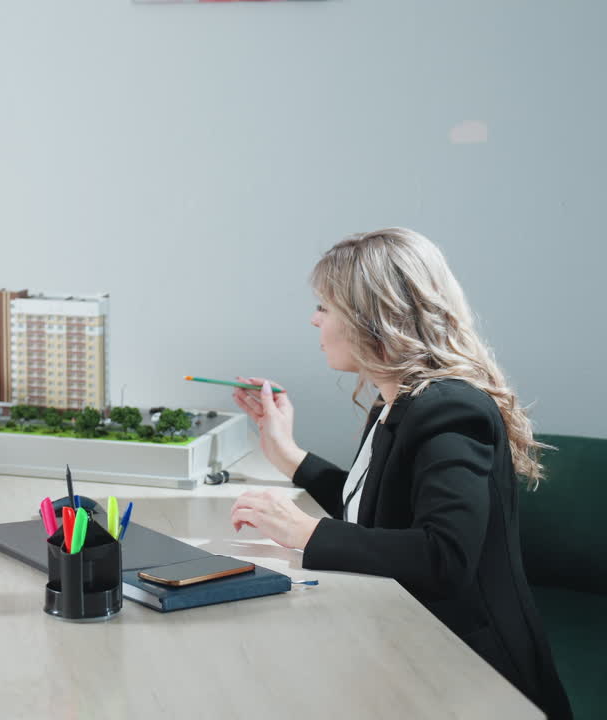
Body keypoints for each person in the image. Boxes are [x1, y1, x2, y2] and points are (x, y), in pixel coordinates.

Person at [227, 228, 572, 718]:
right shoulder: (396, 402)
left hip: (472, 675)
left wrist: (305, 532)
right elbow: (379, 509)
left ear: (374, 319)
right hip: (406, 643)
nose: (314, 319)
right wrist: (288, 455)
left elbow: (444, 555)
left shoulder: (451, 408)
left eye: (325, 307)